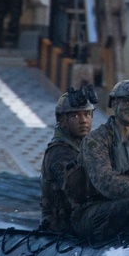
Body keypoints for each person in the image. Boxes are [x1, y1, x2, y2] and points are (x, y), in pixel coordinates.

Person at [71, 70, 129, 242]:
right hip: (91, 210)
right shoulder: (96, 139)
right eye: (126, 101)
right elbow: (104, 181)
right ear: (114, 103)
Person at [40, 86, 96, 233]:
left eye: (87, 114)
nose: (83, 121)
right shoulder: (59, 152)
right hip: (62, 226)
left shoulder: (88, 146)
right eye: (75, 116)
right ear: (62, 120)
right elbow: (78, 190)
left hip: (82, 218)